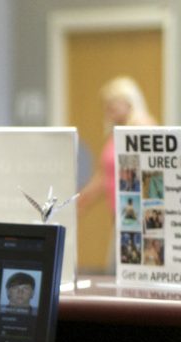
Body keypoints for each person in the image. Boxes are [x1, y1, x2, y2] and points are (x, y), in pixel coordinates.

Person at [75, 76, 157, 268]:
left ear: (129, 102)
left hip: (138, 218)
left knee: (123, 269)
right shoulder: (117, 133)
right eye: (106, 104)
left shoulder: (143, 128)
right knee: (117, 268)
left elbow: (151, 174)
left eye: (113, 103)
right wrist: (80, 201)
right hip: (121, 216)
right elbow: (105, 176)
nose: (108, 109)